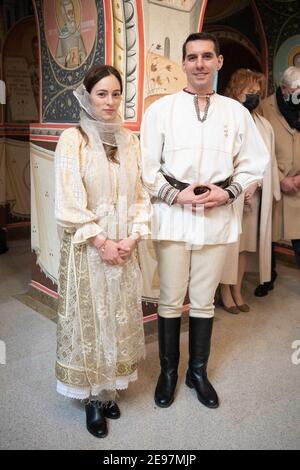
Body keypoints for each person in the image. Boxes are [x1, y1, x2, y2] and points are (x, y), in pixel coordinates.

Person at [140, 32, 268, 409]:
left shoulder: (236, 112)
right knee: (169, 297)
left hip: (216, 214)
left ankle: (198, 372)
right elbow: (147, 167)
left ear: (218, 62)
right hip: (172, 213)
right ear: (183, 64)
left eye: (207, 56)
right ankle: (168, 372)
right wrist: (174, 194)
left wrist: (226, 193)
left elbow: (253, 165)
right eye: (192, 57)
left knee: (203, 301)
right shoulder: (160, 111)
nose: (199, 63)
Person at [54, 65, 151, 438]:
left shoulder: (131, 141)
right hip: (89, 247)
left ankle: (110, 385)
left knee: (118, 317)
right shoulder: (73, 139)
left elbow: (141, 194)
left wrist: (133, 238)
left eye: (115, 94)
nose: (110, 102)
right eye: (101, 94)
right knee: (91, 320)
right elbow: (68, 200)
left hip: (123, 248)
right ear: (88, 96)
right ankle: (93, 397)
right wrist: (101, 241)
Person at [219, 69, 281, 312]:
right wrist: (238, 187)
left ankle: (237, 289)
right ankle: (225, 290)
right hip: (231, 195)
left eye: (257, 92)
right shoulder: (227, 120)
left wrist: (257, 184)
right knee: (229, 245)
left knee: (244, 246)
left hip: (253, 197)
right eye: (249, 92)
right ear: (237, 92)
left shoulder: (264, 125)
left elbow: (268, 162)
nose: (255, 97)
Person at [259, 66, 300, 291]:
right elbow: (260, 149)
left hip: (299, 186)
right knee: (269, 236)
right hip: (274, 182)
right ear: (284, 89)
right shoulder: (266, 108)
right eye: (297, 90)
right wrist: (280, 178)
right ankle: (268, 277)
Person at [55, 0, 87, 68]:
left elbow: (83, 53)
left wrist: (80, 55)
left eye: (72, 12)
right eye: (69, 13)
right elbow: (57, 59)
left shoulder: (77, 34)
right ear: (64, 16)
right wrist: (66, 58)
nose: (72, 15)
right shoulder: (62, 36)